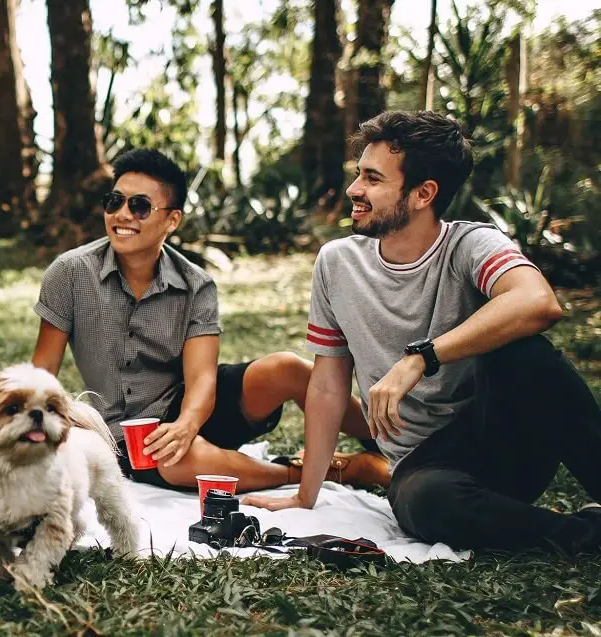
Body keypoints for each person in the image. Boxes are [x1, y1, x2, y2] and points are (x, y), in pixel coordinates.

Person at [246, 111, 601, 554]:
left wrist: (422, 357)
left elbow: (538, 302)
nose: (355, 190)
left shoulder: (471, 244)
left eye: (373, 179)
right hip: (425, 466)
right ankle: (586, 537)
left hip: (503, 438)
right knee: (423, 503)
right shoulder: (337, 263)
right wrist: (306, 494)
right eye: (359, 174)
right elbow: (327, 386)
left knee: (526, 354)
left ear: (423, 193)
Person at [31, 148, 390, 493]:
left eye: (139, 206)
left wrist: (187, 424)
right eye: (115, 201)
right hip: (128, 434)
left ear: (172, 220)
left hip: (192, 405)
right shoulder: (71, 273)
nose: (122, 214)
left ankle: (393, 446)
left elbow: (202, 377)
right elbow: (43, 370)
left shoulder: (196, 285)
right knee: (178, 461)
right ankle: (322, 470)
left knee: (287, 368)